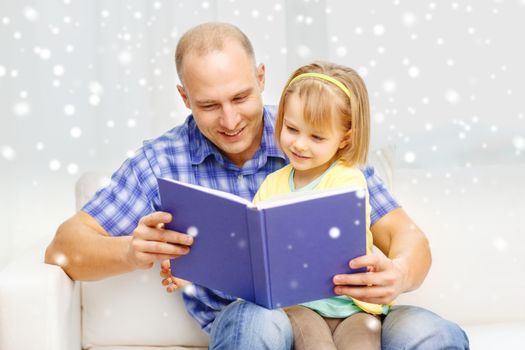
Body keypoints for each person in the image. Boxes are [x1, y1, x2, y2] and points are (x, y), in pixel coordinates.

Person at [46, 22, 469, 349]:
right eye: (209, 105)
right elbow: (64, 247)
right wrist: (130, 251)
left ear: (262, 77)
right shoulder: (160, 161)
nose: (230, 121)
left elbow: (407, 236)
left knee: (432, 333)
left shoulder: (309, 132)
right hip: (255, 321)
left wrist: (399, 273)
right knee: (254, 318)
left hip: (353, 312)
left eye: (241, 98)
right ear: (184, 97)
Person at [249, 61, 386, 349]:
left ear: (344, 139)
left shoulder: (348, 180)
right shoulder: (271, 185)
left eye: (316, 137)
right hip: (299, 305)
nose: (299, 144)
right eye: (291, 128)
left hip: (354, 308)